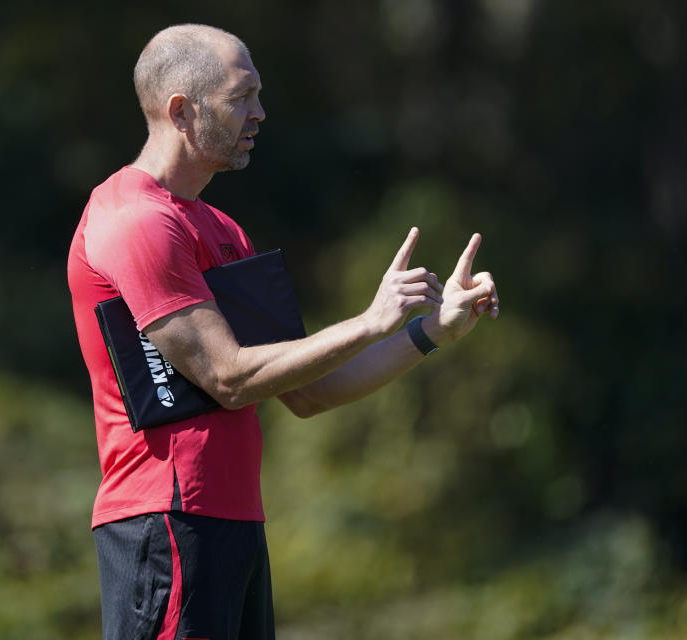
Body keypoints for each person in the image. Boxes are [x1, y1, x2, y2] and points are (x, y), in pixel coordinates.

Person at [67, 23, 500, 640]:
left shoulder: (222, 229)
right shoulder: (135, 222)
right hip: (165, 521)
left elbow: (307, 392)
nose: (260, 113)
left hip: (233, 523)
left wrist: (429, 333)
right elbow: (230, 376)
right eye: (242, 96)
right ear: (182, 112)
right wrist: (370, 320)